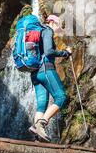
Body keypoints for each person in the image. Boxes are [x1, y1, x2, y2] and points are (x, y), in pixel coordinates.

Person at [29, 14, 72, 142]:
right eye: (59, 24)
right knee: (61, 97)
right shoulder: (47, 31)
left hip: (35, 73)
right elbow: (48, 52)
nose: (60, 28)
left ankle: (38, 135)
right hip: (46, 69)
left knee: (42, 104)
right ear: (52, 22)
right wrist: (66, 53)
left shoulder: (37, 31)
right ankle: (42, 124)